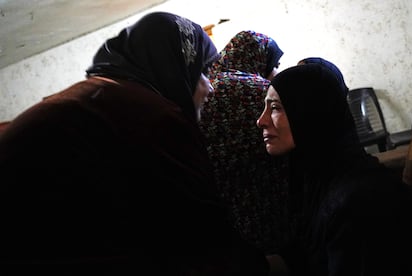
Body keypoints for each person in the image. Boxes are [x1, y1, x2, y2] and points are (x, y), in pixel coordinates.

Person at [0, 12, 269, 275]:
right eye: (202, 71)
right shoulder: (150, 113)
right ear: (175, 67)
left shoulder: (104, 93)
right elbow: (200, 224)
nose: (210, 87)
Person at [256, 63, 412, 276]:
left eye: (275, 108)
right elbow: (306, 255)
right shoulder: (315, 179)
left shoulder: (359, 201)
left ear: (310, 113)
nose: (261, 121)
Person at [199, 30, 289, 267]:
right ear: (258, 58)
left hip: (227, 221)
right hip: (270, 206)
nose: (276, 71)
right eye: (275, 64)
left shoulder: (203, 90)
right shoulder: (261, 90)